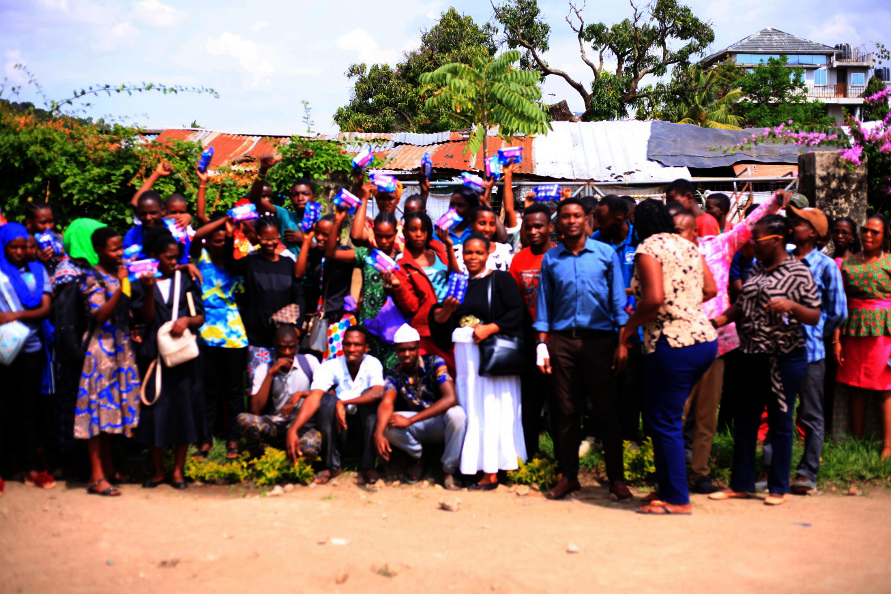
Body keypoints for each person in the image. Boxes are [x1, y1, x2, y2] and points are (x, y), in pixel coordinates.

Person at [674, 192, 787, 494]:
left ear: (695, 230)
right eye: (673, 230)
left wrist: (774, 202)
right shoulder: (666, 255)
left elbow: (748, 226)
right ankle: (669, 474)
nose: (680, 235)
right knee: (676, 412)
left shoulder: (718, 246)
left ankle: (700, 473)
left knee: (706, 414)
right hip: (679, 342)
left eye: (684, 229)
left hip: (716, 342)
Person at [710, 215, 821, 506]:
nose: (751, 245)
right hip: (751, 355)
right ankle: (741, 484)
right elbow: (741, 305)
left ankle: (778, 487)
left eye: (756, 240)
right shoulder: (757, 268)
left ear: (776, 241)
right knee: (745, 422)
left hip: (783, 359)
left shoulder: (798, 272)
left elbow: (814, 314)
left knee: (780, 423)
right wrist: (717, 321)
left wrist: (791, 305)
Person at [615, 199, 718, 515]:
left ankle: (677, 499)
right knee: (665, 418)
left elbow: (655, 299)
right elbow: (711, 289)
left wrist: (627, 331)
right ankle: (667, 486)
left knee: (664, 420)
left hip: (673, 343)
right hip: (704, 339)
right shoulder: (687, 246)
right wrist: (684, 302)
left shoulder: (648, 248)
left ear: (640, 222)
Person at [534, 198, 630, 501]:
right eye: (565, 216)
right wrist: (542, 345)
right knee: (566, 411)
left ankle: (616, 479)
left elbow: (618, 303)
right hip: (562, 342)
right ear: (558, 223)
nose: (571, 220)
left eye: (577, 215)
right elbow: (544, 304)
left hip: (600, 341)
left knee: (606, 412)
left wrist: (623, 343)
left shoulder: (605, 254)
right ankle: (569, 477)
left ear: (585, 219)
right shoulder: (551, 259)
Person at [430, 234, 527, 490]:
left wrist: (491, 328)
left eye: (478, 253)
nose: (473, 258)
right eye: (468, 253)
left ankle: (492, 472)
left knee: (492, 410)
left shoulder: (500, 279)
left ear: (488, 255)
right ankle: (475, 464)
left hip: (492, 358)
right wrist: (446, 312)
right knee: (474, 412)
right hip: (466, 360)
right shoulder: (459, 285)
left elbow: (518, 312)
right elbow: (442, 326)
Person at [132, 231, 206, 490]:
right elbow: (146, 319)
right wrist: (149, 290)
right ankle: (157, 470)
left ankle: (178, 471)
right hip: (154, 357)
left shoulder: (185, 279)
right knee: (154, 411)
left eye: (177, 257)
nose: (174, 261)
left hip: (183, 358)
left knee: (183, 411)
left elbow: (200, 316)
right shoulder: (141, 282)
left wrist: (186, 320)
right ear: (153, 257)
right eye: (169, 257)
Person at [72, 227, 141, 497]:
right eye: (114, 249)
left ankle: (110, 468)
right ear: (98, 250)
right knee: (98, 412)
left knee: (114, 410)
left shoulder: (118, 274)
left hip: (121, 348)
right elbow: (99, 315)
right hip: (100, 352)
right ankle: (96, 476)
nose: (119, 253)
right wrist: (120, 288)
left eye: (120, 248)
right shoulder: (91, 277)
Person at [787, 205, 847, 494]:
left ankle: (807, 471)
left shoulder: (825, 267)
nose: (792, 224)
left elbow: (838, 311)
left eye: (798, 222)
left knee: (811, 414)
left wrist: (817, 333)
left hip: (811, 354)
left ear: (812, 233)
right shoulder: (783, 259)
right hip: (781, 352)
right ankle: (772, 468)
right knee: (780, 413)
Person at [286, 326, 386, 485]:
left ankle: (368, 466)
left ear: (366, 348)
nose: (352, 349)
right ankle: (332, 465)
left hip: (363, 431)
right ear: (342, 346)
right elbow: (313, 398)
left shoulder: (373, 364)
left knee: (370, 402)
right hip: (338, 432)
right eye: (348, 344)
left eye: (357, 345)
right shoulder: (329, 366)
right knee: (325, 401)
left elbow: (378, 393)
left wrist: (343, 402)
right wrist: (294, 429)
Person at [374, 324, 466, 490]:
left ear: (418, 347)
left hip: (439, 423)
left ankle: (448, 469)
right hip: (417, 426)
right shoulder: (394, 373)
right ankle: (419, 457)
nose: (407, 354)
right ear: (395, 350)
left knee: (457, 414)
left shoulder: (435, 363)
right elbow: (387, 402)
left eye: (411, 349)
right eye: (402, 350)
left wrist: (411, 421)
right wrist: (379, 433)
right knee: (385, 422)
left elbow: (451, 398)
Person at [0, 223, 55, 491]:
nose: (19, 251)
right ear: (4, 246)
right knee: (3, 407)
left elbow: (45, 309)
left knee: (28, 409)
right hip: (4, 351)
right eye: (13, 247)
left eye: (23, 246)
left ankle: (32, 468)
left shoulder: (38, 270)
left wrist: (15, 315)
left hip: (32, 349)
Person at [190, 216, 248, 460]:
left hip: (234, 335)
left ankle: (234, 439)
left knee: (234, 391)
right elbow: (195, 237)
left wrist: (233, 231)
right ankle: (205, 440)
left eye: (224, 240)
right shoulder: (200, 257)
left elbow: (244, 299)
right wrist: (225, 220)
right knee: (209, 390)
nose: (220, 243)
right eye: (215, 240)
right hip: (205, 333)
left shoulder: (238, 262)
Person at [224, 216, 305, 391]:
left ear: (279, 237)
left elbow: (299, 296)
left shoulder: (287, 263)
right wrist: (230, 236)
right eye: (265, 238)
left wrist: (297, 328)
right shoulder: (250, 262)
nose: (270, 242)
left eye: (274, 238)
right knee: (258, 388)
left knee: (285, 389)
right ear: (258, 238)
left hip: (285, 342)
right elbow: (230, 265)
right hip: (257, 339)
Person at [834, 214, 891, 457]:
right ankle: (857, 442)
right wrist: (836, 340)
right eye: (865, 230)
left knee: (884, 387)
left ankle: (887, 446)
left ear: (885, 236)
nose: (867, 235)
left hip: (884, 332)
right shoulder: (847, 264)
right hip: (853, 331)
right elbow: (840, 304)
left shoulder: (890, 263)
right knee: (855, 386)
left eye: (874, 232)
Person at [331, 188, 401, 369]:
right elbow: (332, 254)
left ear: (395, 234)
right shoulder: (366, 254)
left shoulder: (401, 258)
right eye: (379, 236)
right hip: (368, 325)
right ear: (373, 234)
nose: (384, 241)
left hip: (393, 326)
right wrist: (338, 220)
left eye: (388, 236)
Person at [593, 195, 644, 444]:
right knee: (603, 386)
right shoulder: (596, 242)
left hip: (635, 329)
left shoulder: (640, 241)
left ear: (619, 219)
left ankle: (630, 439)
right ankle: (601, 437)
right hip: (603, 327)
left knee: (630, 386)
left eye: (601, 220)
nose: (597, 224)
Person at [236, 326, 327, 458]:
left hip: (303, 426)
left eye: (291, 347)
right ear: (274, 346)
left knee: (308, 449)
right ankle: (264, 452)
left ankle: (286, 452)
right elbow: (255, 410)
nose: (286, 352)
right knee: (244, 420)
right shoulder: (264, 369)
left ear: (297, 345)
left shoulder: (309, 362)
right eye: (281, 347)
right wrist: (271, 373)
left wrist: (301, 394)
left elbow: (326, 393)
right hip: (276, 424)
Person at [509, 204, 555, 457]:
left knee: (560, 402)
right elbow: (515, 301)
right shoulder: (519, 259)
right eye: (528, 227)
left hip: (557, 339)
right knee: (530, 403)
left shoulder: (560, 256)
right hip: (529, 340)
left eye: (539, 226)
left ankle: (562, 462)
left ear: (550, 227)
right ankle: (529, 456)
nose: (534, 231)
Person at [388, 211, 459, 372]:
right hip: (426, 331)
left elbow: (457, 278)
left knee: (454, 376)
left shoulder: (439, 252)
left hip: (451, 323)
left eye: (423, 230)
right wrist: (397, 285)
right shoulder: (402, 264)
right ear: (405, 232)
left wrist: (448, 245)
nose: (419, 234)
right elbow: (411, 307)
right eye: (413, 229)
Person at [295, 215, 356, 360]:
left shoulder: (344, 253)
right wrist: (307, 241)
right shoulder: (316, 253)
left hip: (338, 319)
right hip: (320, 318)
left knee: (335, 365)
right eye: (318, 233)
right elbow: (299, 273)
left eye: (325, 234)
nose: (320, 238)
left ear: (337, 236)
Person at [248, 153, 318, 256]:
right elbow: (255, 199)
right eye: (295, 194)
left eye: (305, 194)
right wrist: (263, 170)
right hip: (286, 271)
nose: (300, 198)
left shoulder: (321, 221)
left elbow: (328, 252)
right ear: (290, 198)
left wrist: (304, 239)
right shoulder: (285, 215)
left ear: (314, 197)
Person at [349, 171, 406, 253]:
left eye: (390, 198)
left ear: (397, 199)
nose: (386, 202)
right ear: (376, 199)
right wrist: (364, 198)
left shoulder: (404, 228)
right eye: (381, 198)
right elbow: (356, 237)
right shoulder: (370, 225)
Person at [453, 206, 514, 273]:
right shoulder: (457, 252)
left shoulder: (504, 251)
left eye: (492, 224)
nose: (487, 229)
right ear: (471, 224)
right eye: (482, 223)